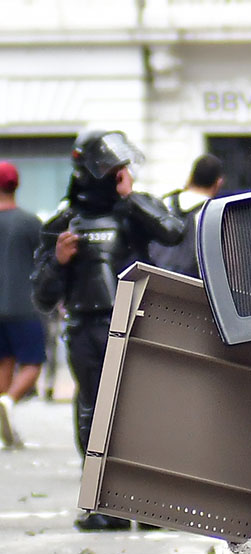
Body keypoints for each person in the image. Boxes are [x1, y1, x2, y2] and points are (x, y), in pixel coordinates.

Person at [30, 129, 185, 530]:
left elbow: (173, 231)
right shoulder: (64, 224)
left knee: (144, 409)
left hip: (134, 320)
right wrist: (59, 261)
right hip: (86, 329)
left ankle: (151, 504)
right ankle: (105, 504)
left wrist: (130, 199)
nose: (121, 174)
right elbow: (44, 296)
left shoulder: (133, 210)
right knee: (94, 414)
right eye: (114, 169)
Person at [0, 160, 46, 449]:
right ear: (16, 185)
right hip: (23, 303)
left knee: (4, 361)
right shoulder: (30, 223)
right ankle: (8, 400)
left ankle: (4, 430)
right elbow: (43, 262)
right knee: (33, 363)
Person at [149, 153, 224, 277]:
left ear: (191, 177)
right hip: (187, 286)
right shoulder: (209, 214)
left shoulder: (165, 202)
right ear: (218, 182)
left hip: (154, 278)